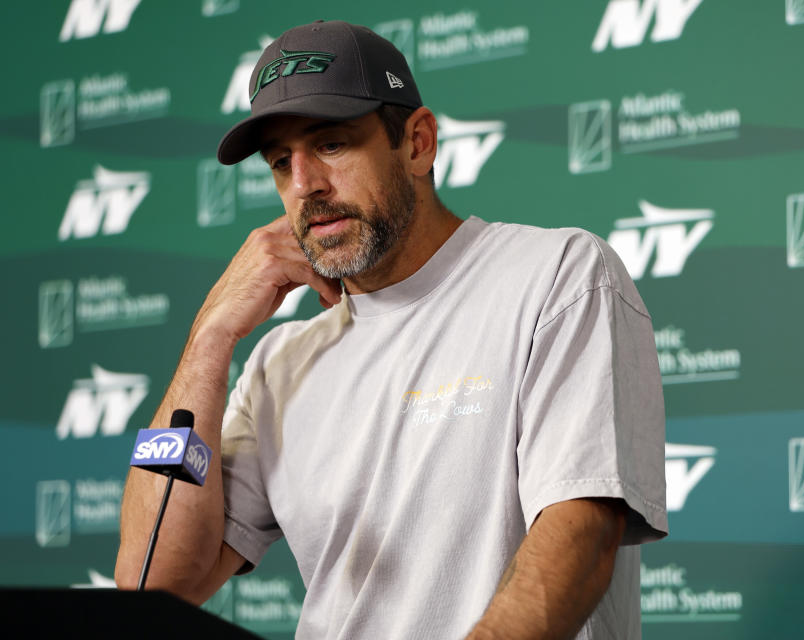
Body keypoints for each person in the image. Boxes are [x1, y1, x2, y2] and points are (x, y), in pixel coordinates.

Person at [116, 19, 667, 639]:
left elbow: (581, 535)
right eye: (280, 162)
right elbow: (152, 583)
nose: (304, 187)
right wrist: (208, 339)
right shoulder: (280, 362)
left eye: (331, 145)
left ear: (418, 143)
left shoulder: (558, 276)